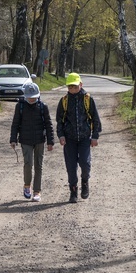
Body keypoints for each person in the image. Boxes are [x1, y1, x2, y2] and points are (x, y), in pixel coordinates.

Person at [56, 72, 102, 203]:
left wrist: (95, 136)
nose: (73, 90)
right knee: (71, 167)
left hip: (84, 138)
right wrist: (61, 135)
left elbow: (95, 119)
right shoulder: (64, 101)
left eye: (75, 87)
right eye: (70, 87)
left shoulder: (88, 99)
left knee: (85, 163)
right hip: (69, 139)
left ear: (81, 85)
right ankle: (73, 191)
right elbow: (60, 121)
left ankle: (85, 182)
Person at [9, 82, 55, 202]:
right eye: (29, 97)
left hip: (40, 140)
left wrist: (51, 141)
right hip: (25, 140)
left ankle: (37, 191)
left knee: (39, 165)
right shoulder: (20, 106)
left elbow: (48, 125)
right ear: (25, 96)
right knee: (28, 164)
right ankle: (27, 185)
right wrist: (13, 139)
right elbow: (15, 124)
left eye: (34, 97)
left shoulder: (43, 106)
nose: (31, 99)